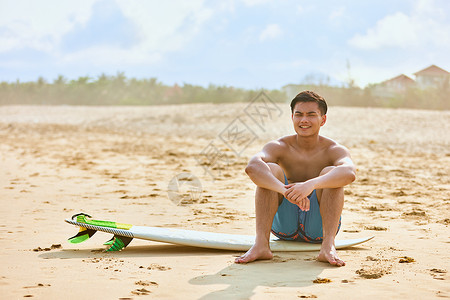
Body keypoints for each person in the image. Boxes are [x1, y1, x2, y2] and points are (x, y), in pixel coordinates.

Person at [235, 91, 356, 267]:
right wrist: (285, 191)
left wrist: (310, 184)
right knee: (270, 170)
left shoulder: (334, 149)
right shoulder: (279, 146)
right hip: (284, 226)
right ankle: (261, 244)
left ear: (323, 120)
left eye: (311, 115)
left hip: (318, 230)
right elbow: (252, 167)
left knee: (332, 173)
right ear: (292, 117)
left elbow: (349, 172)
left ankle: (328, 246)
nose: (303, 120)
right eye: (298, 114)